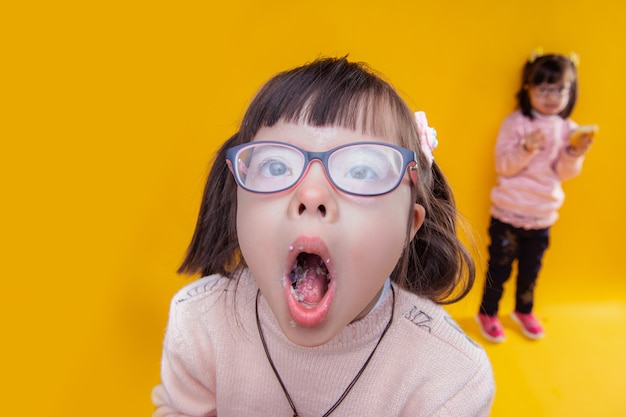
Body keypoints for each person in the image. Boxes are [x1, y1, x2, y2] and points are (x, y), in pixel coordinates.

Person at [152, 57, 494, 416]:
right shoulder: (200, 321)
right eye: (276, 166)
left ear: (410, 223)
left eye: (362, 170)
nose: (312, 195)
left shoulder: (450, 378)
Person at [476, 50, 595, 343]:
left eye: (559, 90)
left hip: (542, 216)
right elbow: (503, 165)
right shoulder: (516, 123)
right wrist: (525, 148)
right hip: (508, 212)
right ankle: (487, 312)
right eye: (543, 89)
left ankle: (523, 310)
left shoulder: (569, 129)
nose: (551, 97)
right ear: (528, 88)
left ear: (571, 91)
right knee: (499, 269)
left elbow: (565, 174)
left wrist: (573, 153)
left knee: (531, 271)